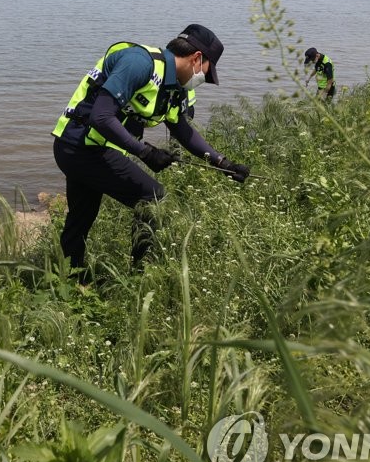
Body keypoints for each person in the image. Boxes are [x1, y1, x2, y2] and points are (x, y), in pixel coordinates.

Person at [51, 23, 249, 277]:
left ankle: (72, 279)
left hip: (84, 149)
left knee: (82, 216)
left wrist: (223, 163)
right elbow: (101, 117)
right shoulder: (139, 63)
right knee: (153, 198)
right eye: (207, 74)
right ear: (197, 58)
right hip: (79, 146)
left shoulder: (173, 87)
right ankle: (139, 276)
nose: (203, 81)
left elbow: (182, 130)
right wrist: (144, 151)